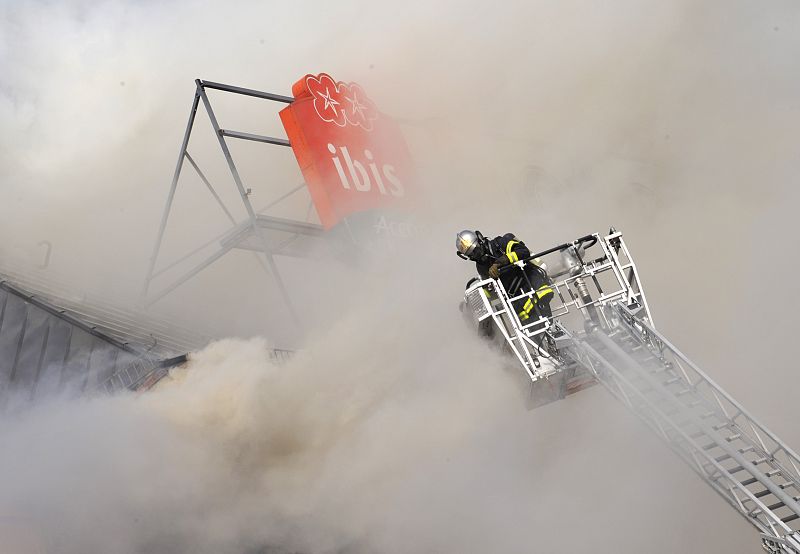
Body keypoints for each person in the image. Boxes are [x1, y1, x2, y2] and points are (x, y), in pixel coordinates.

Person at [456, 230, 554, 324]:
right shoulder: (481, 267)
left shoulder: (501, 243)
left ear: (480, 240)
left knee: (542, 303)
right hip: (515, 298)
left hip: (530, 281)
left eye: (476, 250)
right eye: (471, 255)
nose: (476, 255)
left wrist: (500, 262)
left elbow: (523, 252)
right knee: (532, 326)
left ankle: (552, 328)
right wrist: (471, 303)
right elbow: (489, 288)